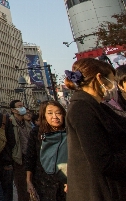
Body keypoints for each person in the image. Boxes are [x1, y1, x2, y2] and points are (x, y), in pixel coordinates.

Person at [64, 58, 126, 201]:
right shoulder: (81, 109)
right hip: (96, 192)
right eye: (111, 81)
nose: (113, 87)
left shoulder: (98, 106)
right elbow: (102, 161)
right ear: (99, 78)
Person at [24, 101, 66, 201]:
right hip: (43, 182)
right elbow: (30, 157)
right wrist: (29, 181)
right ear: (44, 116)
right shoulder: (37, 133)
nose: (55, 116)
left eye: (58, 113)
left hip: (66, 183)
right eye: (50, 113)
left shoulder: (70, 132)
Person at [8, 99, 30, 201]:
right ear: (13, 110)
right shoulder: (10, 123)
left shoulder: (27, 123)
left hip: (30, 157)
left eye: (22, 106)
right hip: (18, 159)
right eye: (19, 106)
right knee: (22, 188)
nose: (22, 108)